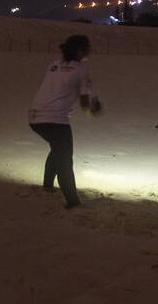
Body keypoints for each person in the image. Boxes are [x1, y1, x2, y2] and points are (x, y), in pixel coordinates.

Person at [28, 35, 101, 209]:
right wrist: (94, 110)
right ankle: (72, 202)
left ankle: (47, 185)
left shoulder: (54, 64)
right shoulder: (81, 70)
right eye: (87, 47)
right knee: (65, 159)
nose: (90, 50)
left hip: (34, 117)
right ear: (80, 50)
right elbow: (85, 105)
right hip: (56, 119)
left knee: (58, 148)